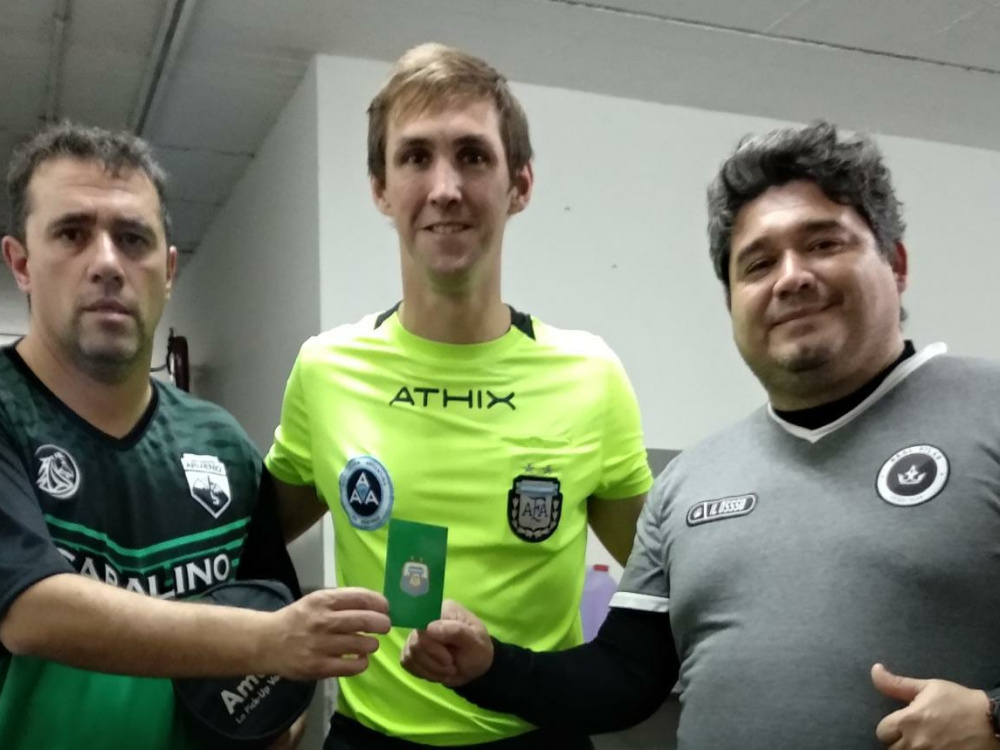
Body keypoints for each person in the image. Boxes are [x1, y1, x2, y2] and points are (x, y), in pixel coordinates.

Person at [401, 120, 1000, 749]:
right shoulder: (690, 481)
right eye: (758, 264)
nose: (791, 277)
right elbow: (626, 678)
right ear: (734, 302)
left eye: (823, 244)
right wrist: (490, 665)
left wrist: (991, 717)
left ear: (896, 265)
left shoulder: (987, 411)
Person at [264, 43, 653, 748]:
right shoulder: (325, 371)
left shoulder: (590, 376)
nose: (445, 187)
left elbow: (667, 585)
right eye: (415, 157)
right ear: (381, 188)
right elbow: (246, 544)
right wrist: (264, 682)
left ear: (520, 184)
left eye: (472, 156)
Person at [0, 122, 391, 749]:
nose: (107, 264)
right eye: (72, 234)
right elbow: (31, 611)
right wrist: (274, 642)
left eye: (133, 239)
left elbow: (269, 607)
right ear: (20, 263)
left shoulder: (219, 442)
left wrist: (279, 715)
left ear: (168, 270)